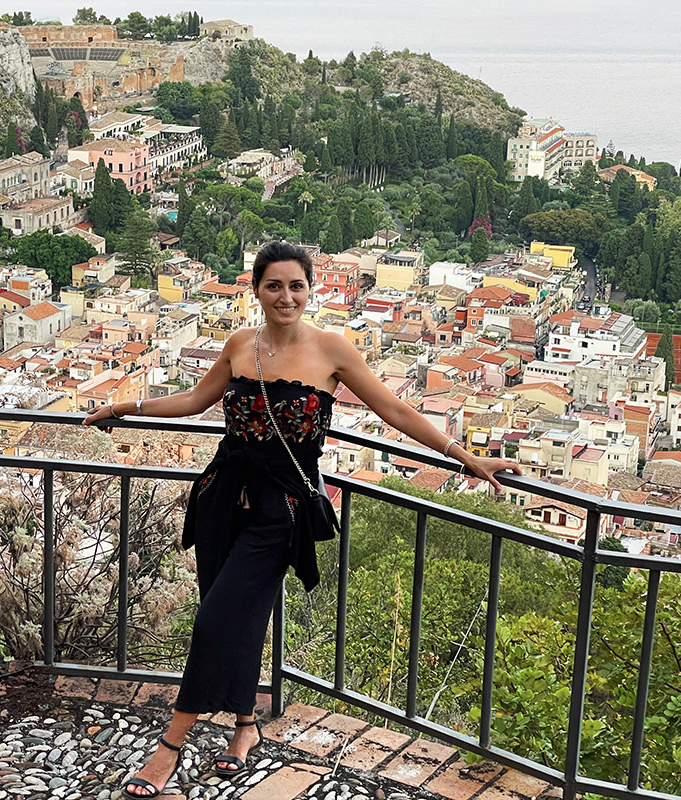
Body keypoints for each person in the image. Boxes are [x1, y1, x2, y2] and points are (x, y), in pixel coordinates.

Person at [83, 241, 521, 798]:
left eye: (296, 285)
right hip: (222, 496)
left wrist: (466, 458)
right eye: (274, 285)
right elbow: (195, 401)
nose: (285, 296)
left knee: (214, 620)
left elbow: (397, 410)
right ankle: (245, 725)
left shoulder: (333, 351)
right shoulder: (240, 344)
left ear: (311, 289)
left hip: (280, 510)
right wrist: (125, 408)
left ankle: (169, 746)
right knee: (237, 615)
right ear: (257, 290)